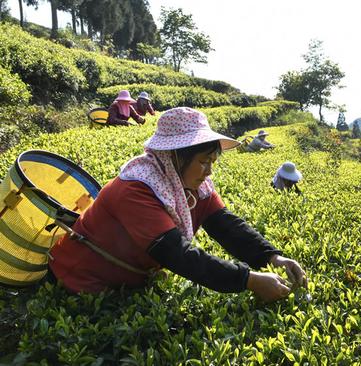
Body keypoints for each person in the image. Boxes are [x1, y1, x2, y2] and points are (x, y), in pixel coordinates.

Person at [49, 107, 307, 302]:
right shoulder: (136, 188)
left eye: (212, 162)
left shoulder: (193, 185)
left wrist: (272, 257)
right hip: (83, 283)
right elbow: (177, 254)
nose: (209, 171)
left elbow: (225, 225)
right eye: (204, 161)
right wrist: (248, 280)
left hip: (129, 282)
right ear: (175, 156)